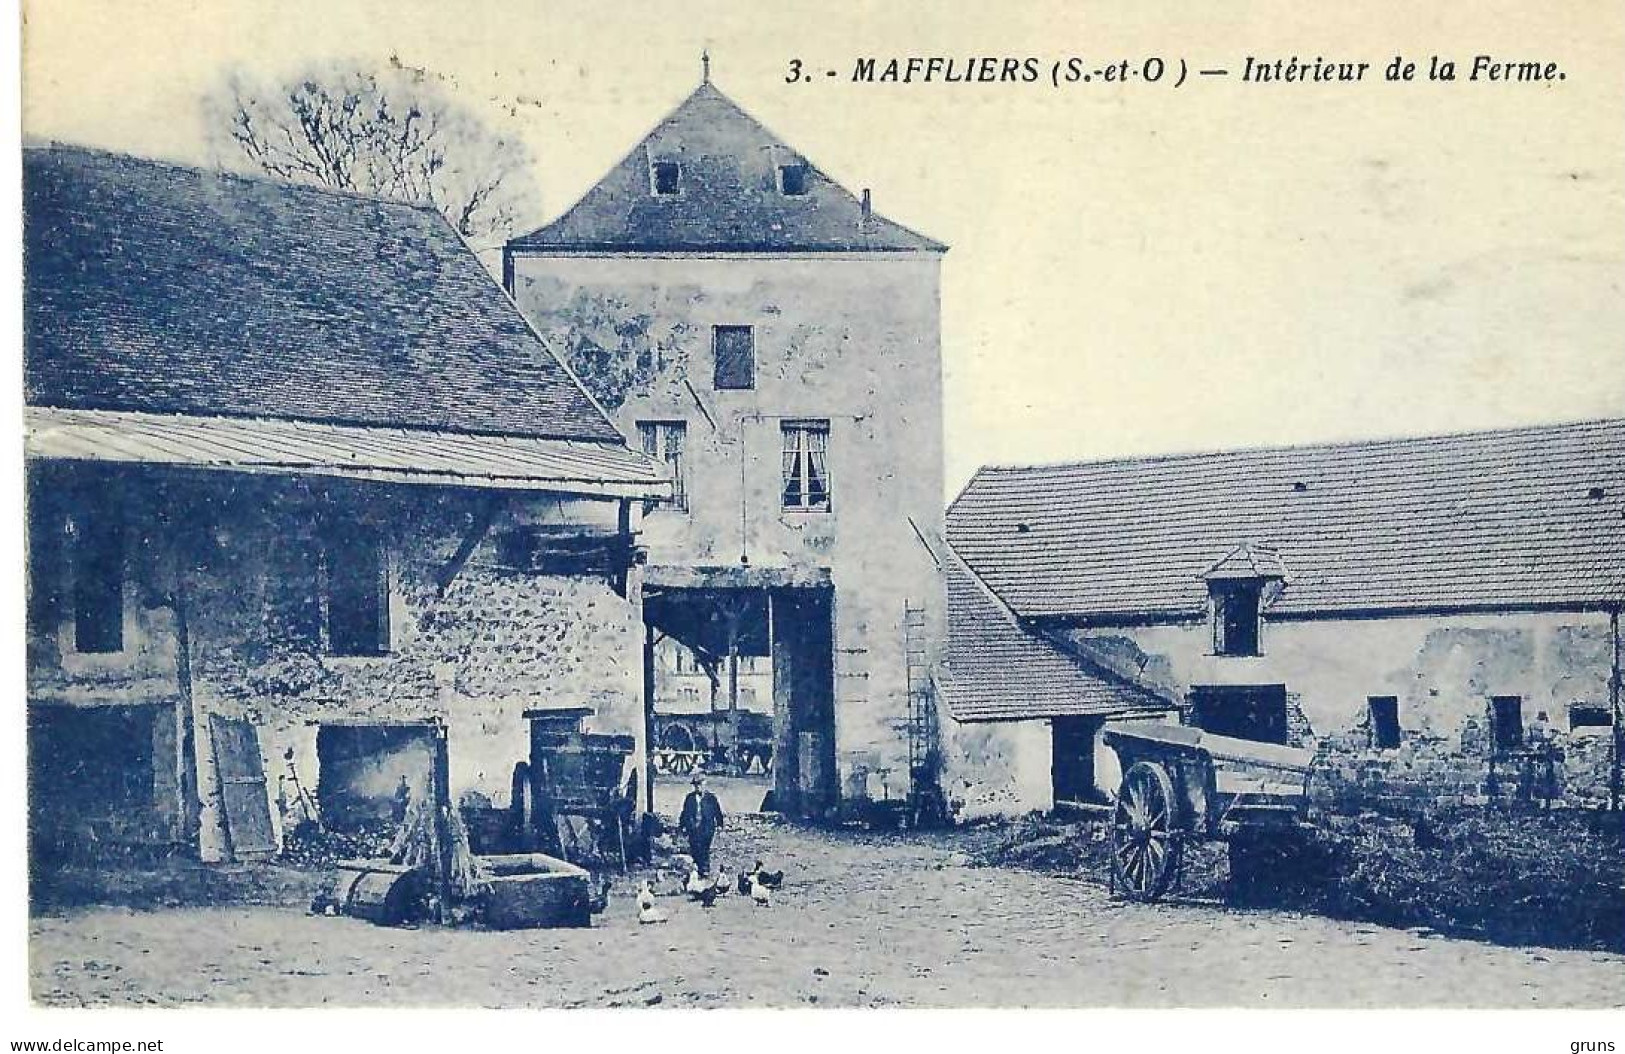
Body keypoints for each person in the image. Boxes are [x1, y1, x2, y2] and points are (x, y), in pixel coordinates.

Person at [679, 773, 725, 875]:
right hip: (693, 827)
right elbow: (685, 813)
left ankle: (705, 868)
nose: (697, 787)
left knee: (705, 847)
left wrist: (720, 824)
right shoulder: (689, 798)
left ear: (705, 784)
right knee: (695, 847)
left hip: (707, 827)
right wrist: (682, 826)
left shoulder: (711, 798)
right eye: (695, 785)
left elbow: (718, 812)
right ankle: (696, 868)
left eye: (699, 784)